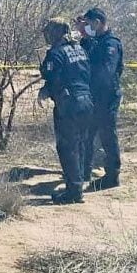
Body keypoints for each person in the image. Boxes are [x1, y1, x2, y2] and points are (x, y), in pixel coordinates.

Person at [38, 18, 93, 205]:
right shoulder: (79, 49)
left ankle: (74, 192)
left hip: (69, 104)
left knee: (67, 147)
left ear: (56, 32)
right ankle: (80, 180)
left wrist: (46, 90)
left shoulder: (56, 53)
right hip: (87, 101)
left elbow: (49, 74)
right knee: (80, 144)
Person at [77, 7, 124, 189]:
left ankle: (112, 175)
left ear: (97, 22)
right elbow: (83, 52)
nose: (87, 27)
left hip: (107, 96)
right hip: (93, 96)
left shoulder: (110, 44)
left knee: (107, 135)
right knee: (87, 134)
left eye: (89, 24)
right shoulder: (94, 41)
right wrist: (83, 32)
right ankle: (84, 171)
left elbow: (106, 72)